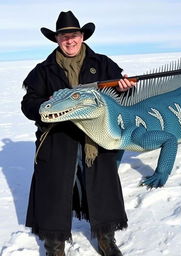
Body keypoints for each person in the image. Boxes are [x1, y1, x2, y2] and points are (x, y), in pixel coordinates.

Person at [21, 11, 135, 256]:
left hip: (95, 137)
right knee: (54, 190)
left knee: (101, 187)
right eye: (64, 37)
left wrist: (124, 89)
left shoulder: (102, 64)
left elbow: (119, 96)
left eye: (73, 35)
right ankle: (54, 245)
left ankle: (106, 239)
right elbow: (28, 104)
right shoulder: (43, 70)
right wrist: (44, 105)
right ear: (57, 40)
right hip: (58, 139)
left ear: (82, 36)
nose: (69, 41)